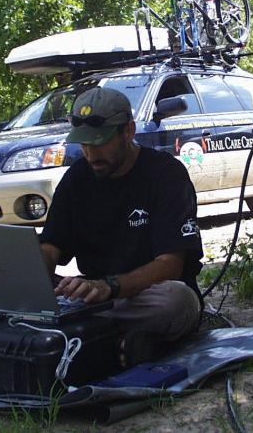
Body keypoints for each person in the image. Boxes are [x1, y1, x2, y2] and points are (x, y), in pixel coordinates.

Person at [39, 86, 203, 365]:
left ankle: (92, 338)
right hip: (92, 300)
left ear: (128, 131)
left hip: (146, 296)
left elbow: (171, 264)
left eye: (100, 142)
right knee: (50, 305)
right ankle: (118, 342)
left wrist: (110, 286)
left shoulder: (165, 174)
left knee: (179, 301)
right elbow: (51, 246)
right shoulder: (77, 177)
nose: (91, 153)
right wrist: (29, 278)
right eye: (84, 144)